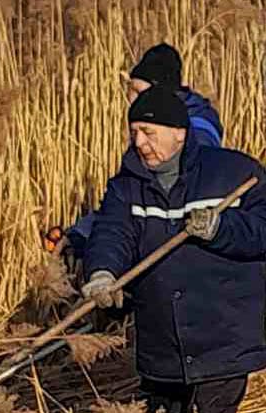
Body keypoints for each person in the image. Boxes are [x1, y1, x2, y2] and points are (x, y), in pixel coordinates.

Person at [80, 82, 266, 413]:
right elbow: (112, 233)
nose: (140, 142)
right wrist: (103, 272)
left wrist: (221, 228)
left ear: (179, 133)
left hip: (222, 332)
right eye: (134, 133)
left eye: (149, 132)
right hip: (161, 337)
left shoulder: (231, 172)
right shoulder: (127, 186)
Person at [56, 43, 224, 262]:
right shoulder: (146, 131)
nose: (131, 100)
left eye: (138, 91)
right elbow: (127, 193)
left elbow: (157, 195)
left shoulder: (194, 131)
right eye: (130, 90)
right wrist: (79, 234)